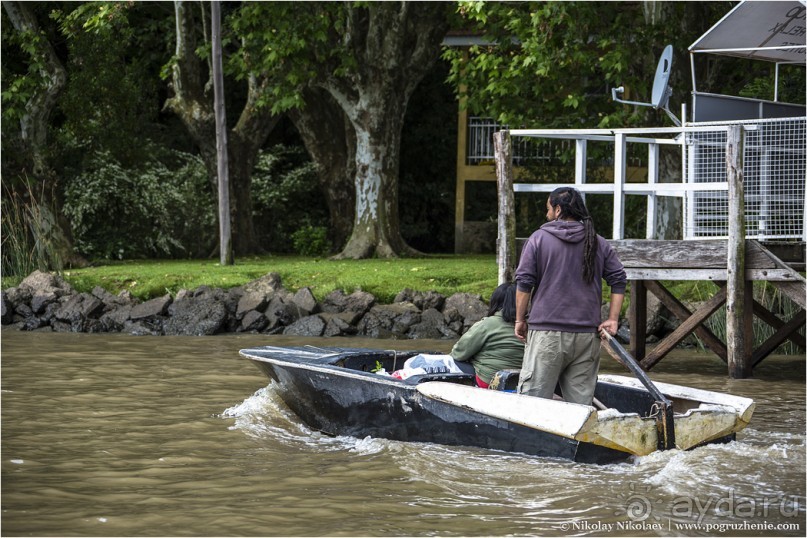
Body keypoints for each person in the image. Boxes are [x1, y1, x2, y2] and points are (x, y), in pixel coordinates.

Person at [514, 187, 626, 405]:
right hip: (586, 336)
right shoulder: (598, 242)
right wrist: (613, 318)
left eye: (548, 209)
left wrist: (520, 319)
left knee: (532, 404)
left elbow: (524, 284)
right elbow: (619, 280)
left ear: (557, 210)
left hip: (547, 333)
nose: (546, 214)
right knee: (580, 408)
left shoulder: (538, 239)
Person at [450, 282, 525, 388]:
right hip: (519, 383)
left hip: (488, 381)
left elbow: (458, 353)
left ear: (495, 302)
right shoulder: (529, 328)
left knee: (453, 361)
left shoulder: (487, 324)